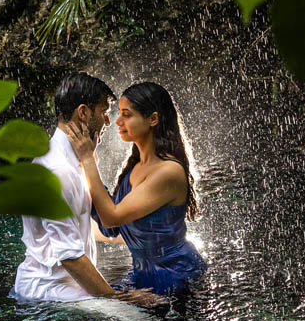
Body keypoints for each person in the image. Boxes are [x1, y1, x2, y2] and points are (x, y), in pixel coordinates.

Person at [12, 73, 159, 307]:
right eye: (103, 112)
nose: (108, 122)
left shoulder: (75, 160)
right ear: (83, 113)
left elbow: (89, 222)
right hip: (46, 294)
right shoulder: (59, 171)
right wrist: (118, 298)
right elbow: (70, 257)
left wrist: (136, 239)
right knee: (141, 318)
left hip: (66, 286)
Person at [65, 81, 205, 295]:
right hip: (144, 274)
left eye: (126, 115)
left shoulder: (168, 172)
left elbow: (112, 217)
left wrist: (88, 160)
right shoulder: (135, 166)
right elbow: (110, 227)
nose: (117, 121)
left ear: (153, 119)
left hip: (177, 276)